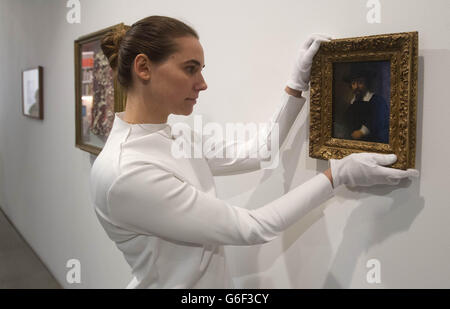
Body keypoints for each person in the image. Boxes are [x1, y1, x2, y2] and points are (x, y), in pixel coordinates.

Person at [90, 16, 419, 289]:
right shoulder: (127, 171)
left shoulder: (173, 134)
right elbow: (251, 227)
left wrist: (295, 85)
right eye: (191, 69)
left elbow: (261, 151)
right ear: (144, 68)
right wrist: (338, 175)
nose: (202, 83)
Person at [344, 66, 390, 143]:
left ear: (367, 83)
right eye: (353, 83)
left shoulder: (377, 100)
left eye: (360, 83)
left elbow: (378, 120)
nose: (356, 87)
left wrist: (362, 132)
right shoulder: (353, 103)